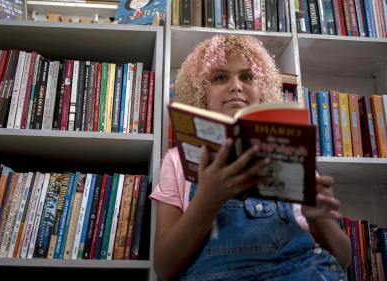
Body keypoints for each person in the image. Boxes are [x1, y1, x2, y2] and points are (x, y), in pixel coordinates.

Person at [150, 35, 351, 281]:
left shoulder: (289, 153)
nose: (236, 86)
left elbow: (342, 259)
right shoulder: (177, 159)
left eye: (247, 77)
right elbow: (164, 267)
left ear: (262, 88)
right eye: (220, 77)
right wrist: (206, 201)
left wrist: (319, 219)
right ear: (200, 91)